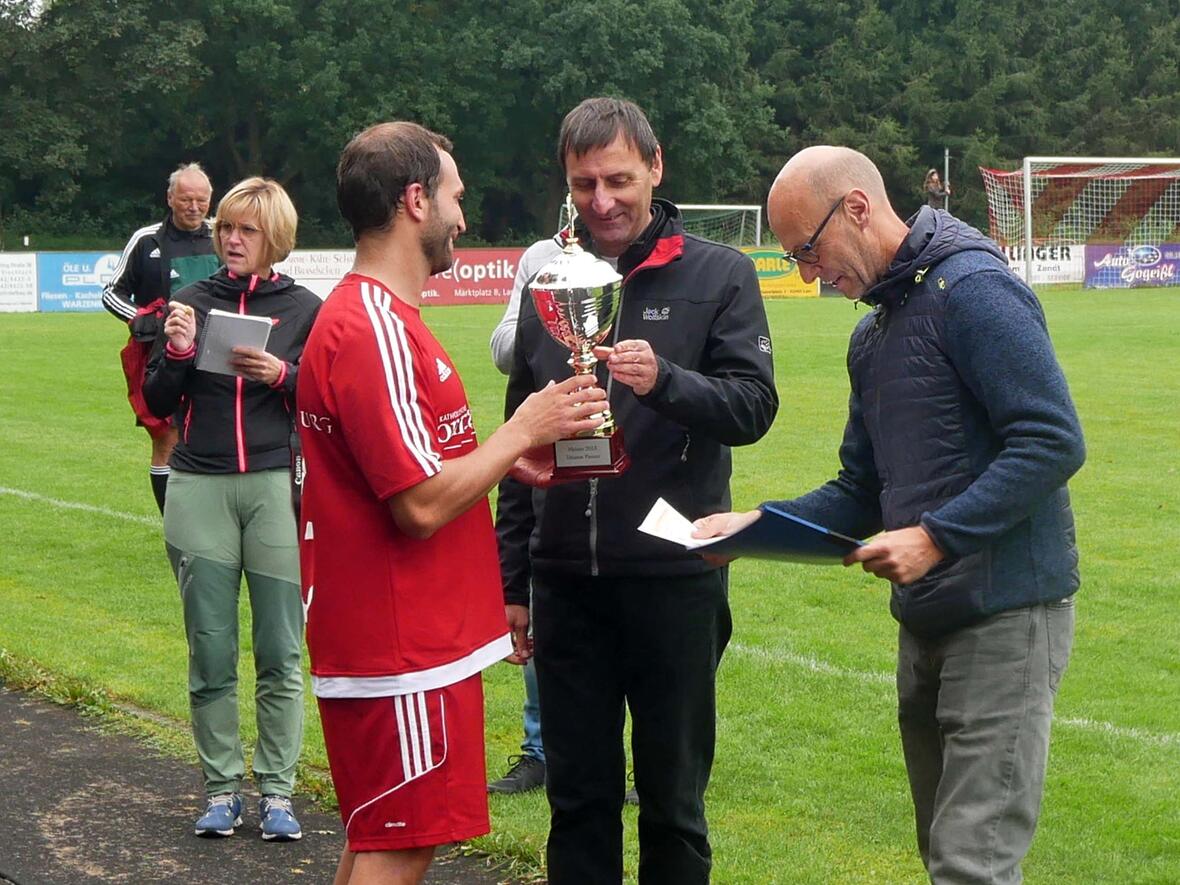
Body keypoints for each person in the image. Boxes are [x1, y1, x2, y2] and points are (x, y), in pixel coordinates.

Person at [697, 146, 1085, 884]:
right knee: (946, 854)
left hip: (1006, 615)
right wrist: (752, 527)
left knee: (972, 864)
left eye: (807, 251)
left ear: (857, 208)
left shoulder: (974, 290)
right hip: (927, 620)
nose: (809, 276)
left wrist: (936, 536)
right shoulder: (871, 336)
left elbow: (1052, 439)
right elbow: (859, 488)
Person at [295, 121, 608, 885]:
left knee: (383, 838)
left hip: (404, 641)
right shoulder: (373, 326)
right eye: (455, 197)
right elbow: (420, 505)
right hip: (403, 646)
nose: (462, 217)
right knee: (399, 846)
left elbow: (422, 474)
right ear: (414, 200)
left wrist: (508, 458)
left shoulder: (382, 319)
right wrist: (522, 427)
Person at [496, 97, 778, 883]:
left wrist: (667, 382)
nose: (602, 200)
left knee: (672, 804)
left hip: (674, 576)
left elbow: (754, 406)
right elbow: (520, 433)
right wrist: (512, 573)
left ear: (655, 166)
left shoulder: (719, 272)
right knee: (576, 802)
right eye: (583, 184)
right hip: (565, 582)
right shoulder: (549, 278)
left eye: (618, 179)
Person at [143, 176, 320, 841]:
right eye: (226, 229)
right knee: (211, 649)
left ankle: (278, 791)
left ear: (273, 235)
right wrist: (181, 352)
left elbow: (331, 399)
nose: (232, 239)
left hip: (276, 485)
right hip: (200, 487)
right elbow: (160, 401)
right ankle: (221, 787)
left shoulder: (306, 307)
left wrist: (284, 376)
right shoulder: (189, 300)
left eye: (246, 229)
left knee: (280, 650)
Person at [103, 163, 220, 513]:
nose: (194, 207)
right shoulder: (146, 240)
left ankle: (212, 514)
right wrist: (140, 318)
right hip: (161, 357)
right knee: (166, 437)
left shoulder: (222, 235)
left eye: (202, 200)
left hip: (214, 352)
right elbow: (111, 293)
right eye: (186, 199)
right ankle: (173, 520)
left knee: (216, 429)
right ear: (170, 198)